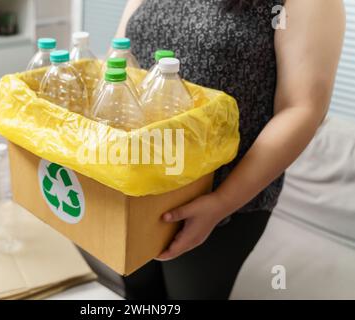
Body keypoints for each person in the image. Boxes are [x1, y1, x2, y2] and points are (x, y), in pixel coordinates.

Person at [115, 0, 346, 299]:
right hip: (136, 178)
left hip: (219, 193)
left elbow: (302, 108)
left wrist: (222, 201)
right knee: (139, 292)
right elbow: (119, 59)